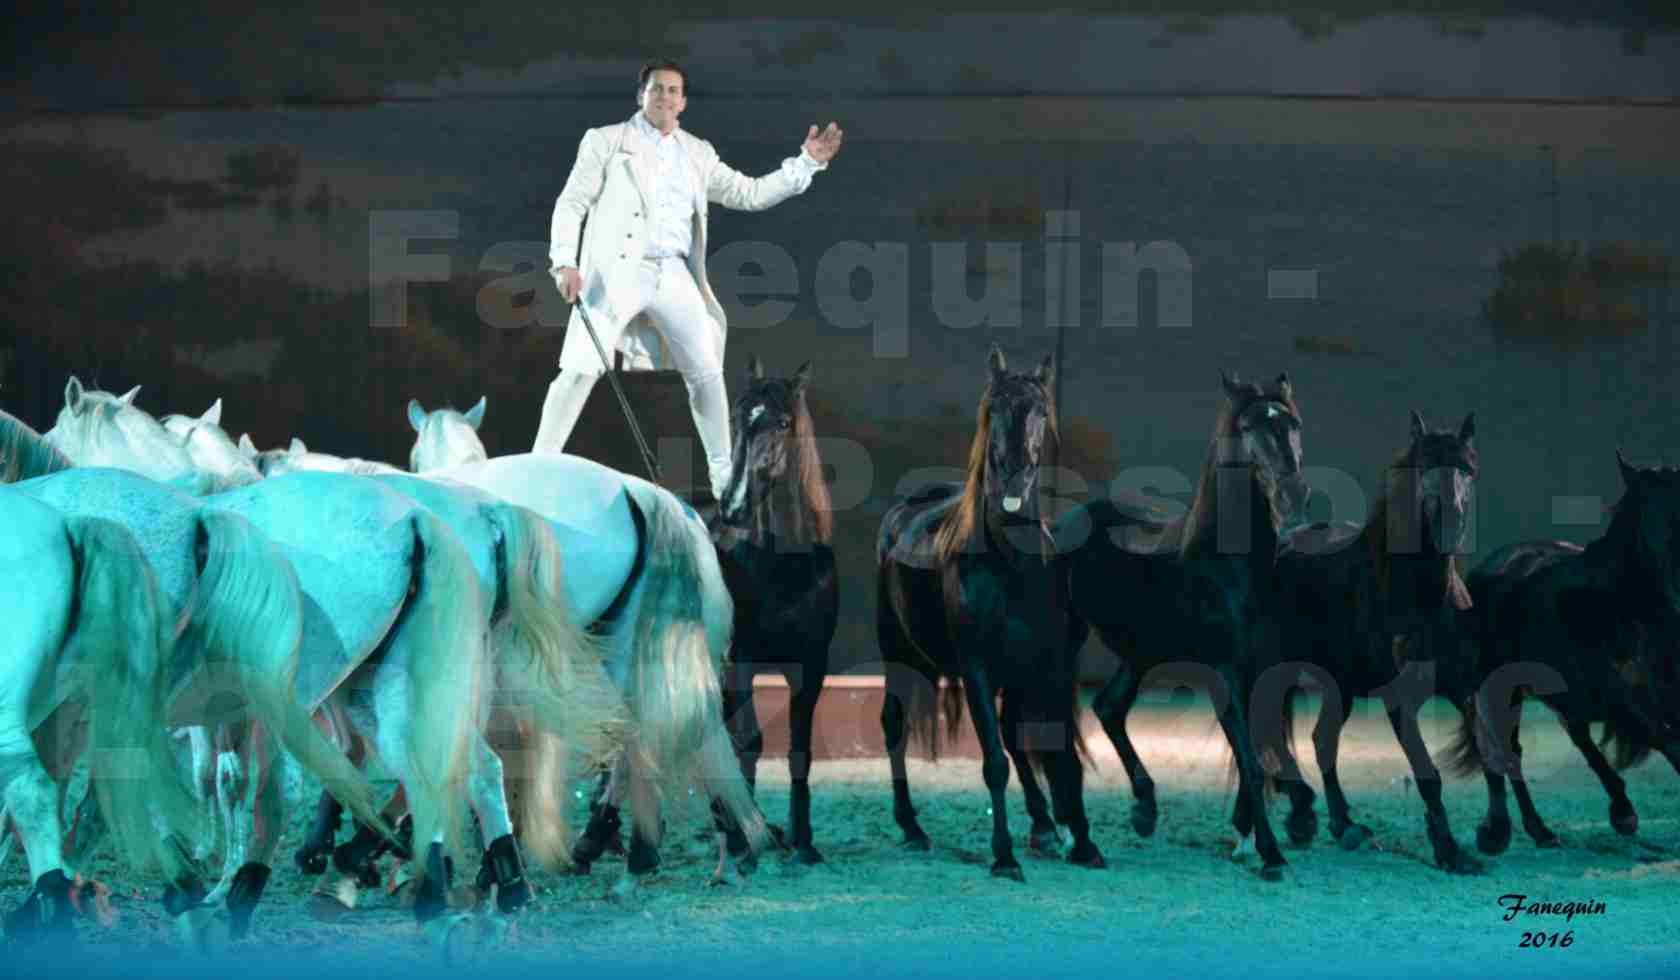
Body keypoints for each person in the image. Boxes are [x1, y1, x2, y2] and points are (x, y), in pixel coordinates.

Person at [534, 58, 844, 502]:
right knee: (580, 368)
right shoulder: (605, 141)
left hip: (674, 272)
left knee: (705, 370)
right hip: (618, 269)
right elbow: (572, 201)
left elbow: (749, 193)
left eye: (673, 90)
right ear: (641, 95)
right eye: (656, 88)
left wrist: (805, 165)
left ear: (684, 102)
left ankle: (723, 480)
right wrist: (564, 260)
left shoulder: (697, 152)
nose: (664, 96)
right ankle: (539, 464)